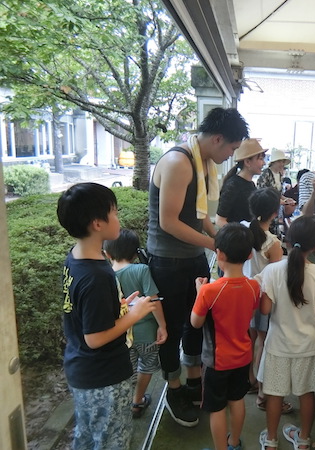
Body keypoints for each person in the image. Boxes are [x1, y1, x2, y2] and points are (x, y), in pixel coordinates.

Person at [147, 107, 249, 427]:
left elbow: (200, 214)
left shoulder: (202, 161)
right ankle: (174, 388)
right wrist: (215, 245)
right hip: (168, 261)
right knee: (171, 329)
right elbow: (168, 222)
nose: (232, 155)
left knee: (196, 323)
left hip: (191, 257)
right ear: (218, 139)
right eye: (232, 148)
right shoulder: (179, 162)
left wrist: (220, 237)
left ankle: (194, 381)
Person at [57, 182, 157, 449]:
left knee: (88, 436)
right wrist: (134, 315)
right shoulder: (96, 275)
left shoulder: (76, 258)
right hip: (104, 378)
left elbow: (84, 310)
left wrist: (119, 306)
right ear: (97, 223)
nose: (118, 218)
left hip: (82, 370)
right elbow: (95, 338)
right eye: (114, 212)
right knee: (112, 440)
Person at [257, 216, 315, 450]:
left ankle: (271, 440)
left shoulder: (272, 271)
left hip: (278, 345)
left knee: (274, 394)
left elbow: (265, 309)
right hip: (307, 346)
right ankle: (303, 440)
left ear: (287, 241)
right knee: (306, 394)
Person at [191, 223, 260, 450]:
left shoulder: (210, 290)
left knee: (217, 408)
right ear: (249, 255)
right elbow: (246, 313)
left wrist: (199, 292)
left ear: (219, 254)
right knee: (237, 400)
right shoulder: (253, 287)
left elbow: (195, 322)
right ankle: (234, 442)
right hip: (243, 357)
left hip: (217, 361)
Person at [104, 229, 168, 419]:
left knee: (127, 371)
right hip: (147, 333)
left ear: (107, 254)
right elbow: (153, 301)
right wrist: (162, 326)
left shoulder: (106, 276)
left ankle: (124, 404)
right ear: (135, 253)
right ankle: (137, 400)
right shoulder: (141, 270)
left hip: (122, 336)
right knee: (147, 366)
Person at [242, 188, 290, 414]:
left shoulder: (242, 229)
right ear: (274, 213)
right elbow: (275, 277)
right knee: (263, 342)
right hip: (263, 297)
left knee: (250, 339)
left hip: (243, 294)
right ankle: (262, 393)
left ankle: (249, 380)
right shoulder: (273, 244)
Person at [216, 138, 267, 226]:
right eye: (260, 159)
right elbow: (220, 220)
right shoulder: (233, 185)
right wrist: (239, 232)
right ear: (247, 162)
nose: (264, 163)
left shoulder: (251, 184)